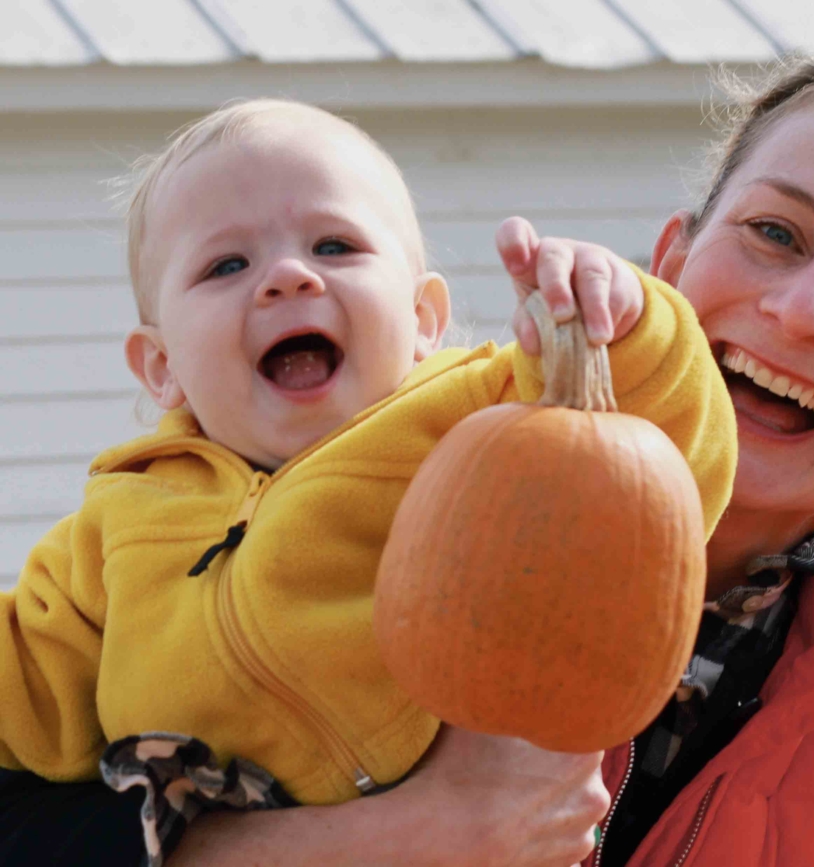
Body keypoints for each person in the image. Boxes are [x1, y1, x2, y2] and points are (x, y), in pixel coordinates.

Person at [2, 46, 814, 867]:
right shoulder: (447, 466)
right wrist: (368, 847)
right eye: (773, 232)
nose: (802, 312)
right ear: (667, 263)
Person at [0, 98, 737, 864]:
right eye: (227, 264)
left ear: (424, 319)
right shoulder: (119, 517)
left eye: (334, 244)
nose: (287, 276)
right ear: (162, 368)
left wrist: (617, 328)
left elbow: (661, 455)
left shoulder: (474, 418)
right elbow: (32, 691)